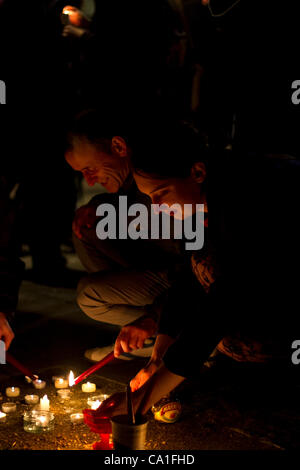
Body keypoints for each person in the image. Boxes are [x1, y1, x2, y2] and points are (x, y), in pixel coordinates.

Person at [83, 120, 299, 431]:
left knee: (232, 332)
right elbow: (187, 281)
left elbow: (226, 299)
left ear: (197, 172)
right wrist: (159, 356)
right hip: (249, 288)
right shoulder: (201, 201)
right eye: (150, 198)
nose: (156, 208)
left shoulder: (251, 197)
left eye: (160, 194)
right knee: (200, 268)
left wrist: (144, 400)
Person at [65, 110, 182, 361]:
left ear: (119, 146)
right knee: (88, 226)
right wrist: (99, 205)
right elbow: (128, 206)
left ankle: (171, 337)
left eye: (90, 168)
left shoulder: (159, 182)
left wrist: (152, 318)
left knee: (89, 294)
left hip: (186, 281)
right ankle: (144, 337)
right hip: (163, 271)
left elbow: (191, 271)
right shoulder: (131, 185)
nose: (90, 180)